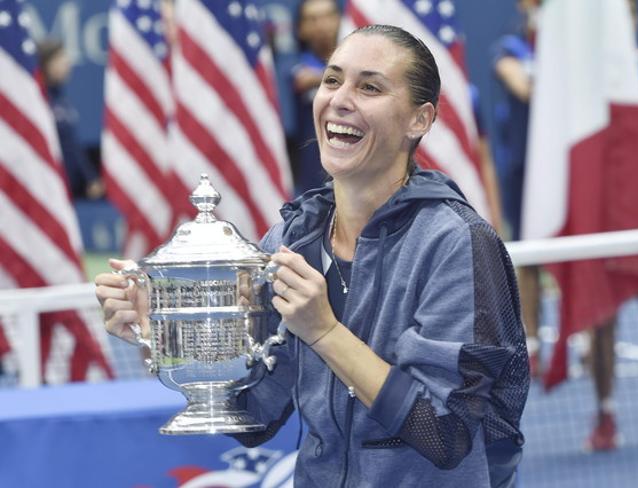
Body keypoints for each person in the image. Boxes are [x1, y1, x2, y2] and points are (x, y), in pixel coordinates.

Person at [96, 25, 530, 487]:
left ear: (419, 120)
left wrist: (323, 331)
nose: (340, 99)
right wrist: (167, 337)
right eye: (332, 80)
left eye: (370, 87)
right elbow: (253, 416)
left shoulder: (456, 241)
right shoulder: (292, 238)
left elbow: (446, 431)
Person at [584, 1, 638, 451]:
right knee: (602, 320)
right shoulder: (582, 84)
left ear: (632, 20)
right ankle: (605, 415)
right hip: (602, 222)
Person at [492, 0, 542, 377]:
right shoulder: (509, 48)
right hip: (523, 170)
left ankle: (589, 341)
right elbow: (523, 87)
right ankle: (533, 341)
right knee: (529, 257)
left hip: (564, 168)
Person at [37, 39, 105, 200]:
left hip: (68, 190)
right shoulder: (37, 99)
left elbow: (73, 146)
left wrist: (90, 178)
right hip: (47, 188)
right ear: (46, 64)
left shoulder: (61, 99)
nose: (67, 63)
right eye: (60, 58)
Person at [290, 0, 340, 195]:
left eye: (328, 16)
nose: (322, 24)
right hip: (310, 175)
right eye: (313, 19)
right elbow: (301, 79)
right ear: (301, 28)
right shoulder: (295, 64)